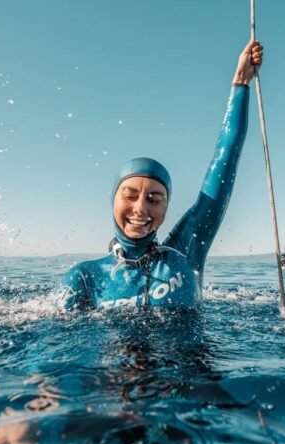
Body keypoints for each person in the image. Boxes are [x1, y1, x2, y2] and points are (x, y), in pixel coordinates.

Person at [58, 40, 262, 310]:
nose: (140, 209)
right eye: (130, 195)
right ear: (113, 200)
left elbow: (225, 159)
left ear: (166, 206)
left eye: (154, 199)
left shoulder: (184, 253)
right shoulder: (84, 278)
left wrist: (240, 82)